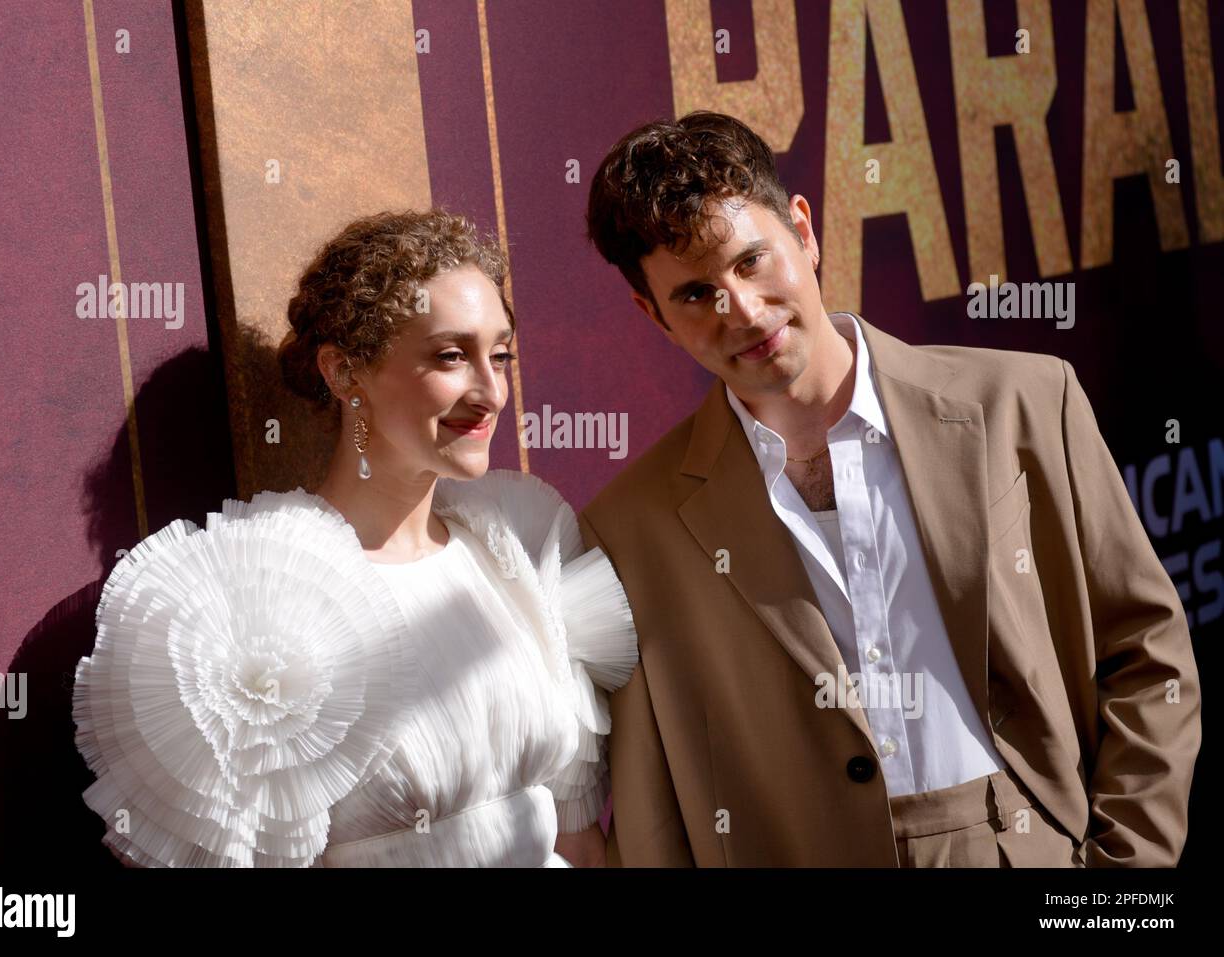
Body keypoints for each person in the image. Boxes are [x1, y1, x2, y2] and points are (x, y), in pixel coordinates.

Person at [580, 111, 1201, 867]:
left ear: (803, 231)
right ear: (653, 315)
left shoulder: (1024, 402)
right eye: (696, 295)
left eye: (751, 262)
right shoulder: (631, 527)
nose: (740, 311)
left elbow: (1146, 648)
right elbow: (652, 810)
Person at [72, 208, 637, 867]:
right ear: (344, 374)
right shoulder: (250, 610)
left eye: (501, 354)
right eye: (451, 356)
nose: (490, 390)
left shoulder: (521, 541)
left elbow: (576, 836)